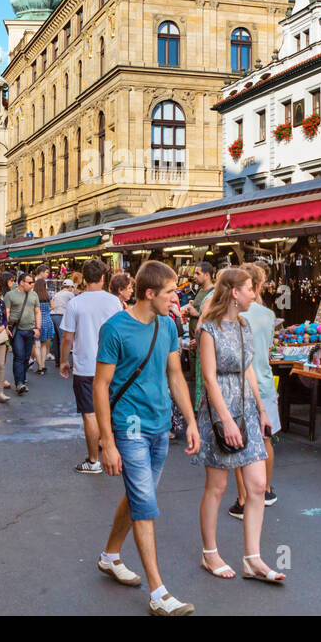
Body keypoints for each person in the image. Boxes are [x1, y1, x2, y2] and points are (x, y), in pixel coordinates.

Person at [94, 260, 201, 616]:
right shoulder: (115, 329)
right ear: (150, 293)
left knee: (140, 495)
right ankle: (159, 593)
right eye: (171, 292)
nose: (176, 298)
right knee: (144, 503)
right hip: (130, 427)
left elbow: (175, 375)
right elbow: (101, 385)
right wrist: (107, 442)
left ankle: (110, 556)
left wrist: (190, 421)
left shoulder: (167, 325)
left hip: (159, 427)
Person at [192, 268, 285, 585]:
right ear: (234, 292)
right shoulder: (209, 329)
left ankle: (253, 559)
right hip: (220, 412)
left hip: (246, 408)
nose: (254, 294)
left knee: (257, 486)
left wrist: (261, 410)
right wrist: (226, 419)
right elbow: (209, 378)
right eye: (249, 289)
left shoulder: (244, 325)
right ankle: (210, 552)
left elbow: (247, 371)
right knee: (217, 488)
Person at [60, 259, 124, 474]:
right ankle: (115, 451)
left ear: (84, 279)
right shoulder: (114, 302)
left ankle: (94, 460)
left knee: (89, 413)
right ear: (104, 277)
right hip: (112, 364)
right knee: (112, 409)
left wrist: (63, 361)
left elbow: (67, 337)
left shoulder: (75, 303)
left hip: (86, 365)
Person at [227, 262, 280, 520]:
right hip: (265, 381)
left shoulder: (234, 315)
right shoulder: (268, 315)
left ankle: (244, 498)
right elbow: (267, 348)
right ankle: (267, 489)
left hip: (240, 387)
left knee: (239, 444)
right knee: (265, 439)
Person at [4, 272, 41, 395]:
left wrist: (38, 328)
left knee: (26, 357)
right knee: (19, 357)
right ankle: (19, 382)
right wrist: (6, 327)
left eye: (33, 282)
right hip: (17, 330)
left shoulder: (34, 295)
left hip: (30, 330)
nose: (32, 285)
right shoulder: (10, 295)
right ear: (21, 282)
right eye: (30, 282)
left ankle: (22, 378)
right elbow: (7, 312)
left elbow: (37, 312)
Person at [32, 278, 55, 374]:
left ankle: (40, 367)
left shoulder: (33, 295)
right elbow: (53, 307)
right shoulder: (48, 295)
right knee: (44, 344)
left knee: (37, 344)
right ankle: (43, 365)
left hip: (37, 321)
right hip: (47, 320)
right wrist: (46, 310)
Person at [50, 279, 75, 363]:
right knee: (62, 339)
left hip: (53, 315)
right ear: (70, 286)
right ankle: (63, 361)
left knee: (56, 339)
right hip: (61, 316)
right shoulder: (70, 294)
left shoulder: (57, 293)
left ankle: (57, 361)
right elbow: (74, 305)